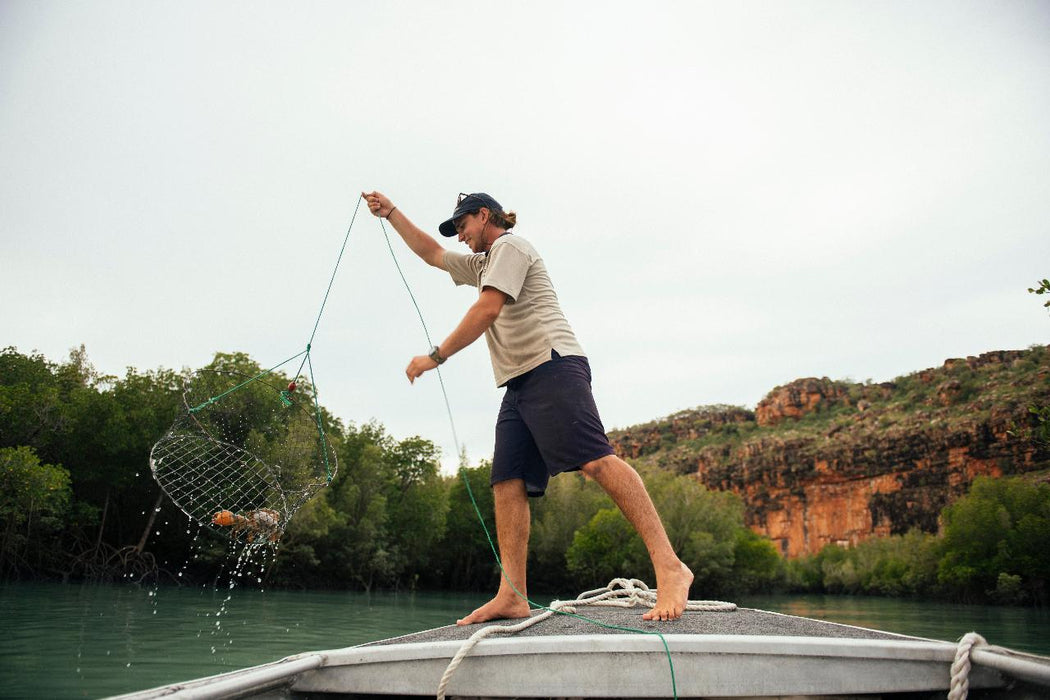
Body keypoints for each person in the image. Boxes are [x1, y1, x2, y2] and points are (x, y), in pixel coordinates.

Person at [363, 190, 694, 624]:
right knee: (508, 481)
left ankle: (670, 566)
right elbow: (432, 253)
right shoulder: (482, 263)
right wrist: (390, 213)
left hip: (552, 365)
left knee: (596, 462)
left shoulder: (510, 247)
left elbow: (487, 309)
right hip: (519, 383)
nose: (459, 236)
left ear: (485, 217)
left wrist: (435, 357)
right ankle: (512, 594)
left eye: (462, 226)